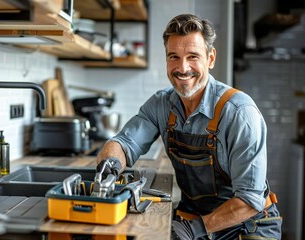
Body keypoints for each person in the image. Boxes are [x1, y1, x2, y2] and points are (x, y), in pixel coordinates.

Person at [95, 13, 282, 239]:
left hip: (248, 225)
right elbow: (124, 143)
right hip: (197, 219)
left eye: (193, 56)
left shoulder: (240, 113)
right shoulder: (161, 104)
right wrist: (110, 163)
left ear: (210, 58)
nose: (182, 68)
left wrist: (194, 229)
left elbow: (249, 200)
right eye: (174, 56)